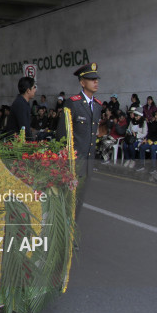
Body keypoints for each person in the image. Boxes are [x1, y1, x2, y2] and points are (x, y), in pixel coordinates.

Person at [56, 62, 102, 216]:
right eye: (91, 79)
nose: (96, 82)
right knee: (69, 203)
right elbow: (62, 135)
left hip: (87, 163)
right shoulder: (73, 103)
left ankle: (71, 235)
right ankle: (66, 237)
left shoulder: (97, 106)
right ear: (82, 82)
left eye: (96, 79)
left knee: (79, 203)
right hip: (74, 163)